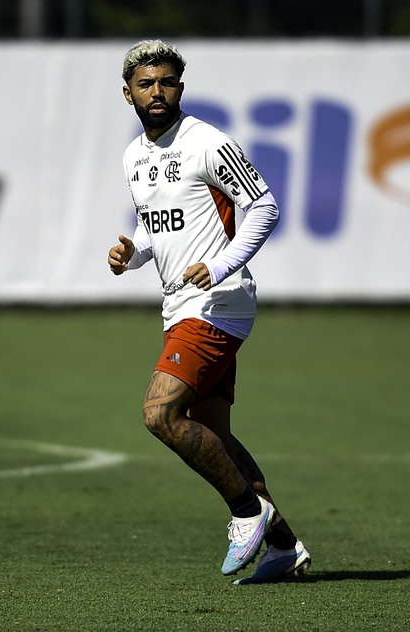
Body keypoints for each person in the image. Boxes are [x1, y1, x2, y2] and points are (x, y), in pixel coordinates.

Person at [107, 39, 310, 584]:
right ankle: (284, 547)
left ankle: (248, 513)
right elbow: (161, 228)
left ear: (180, 87)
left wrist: (220, 267)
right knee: (211, 430)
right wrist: (134, 256)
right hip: (181, 304)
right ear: (127, 93)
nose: (157, 92)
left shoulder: (207, 142)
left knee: (160, 414)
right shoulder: (135, 155)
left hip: (219, 302)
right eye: (146, 84)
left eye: (167, 81)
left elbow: (263, 205)